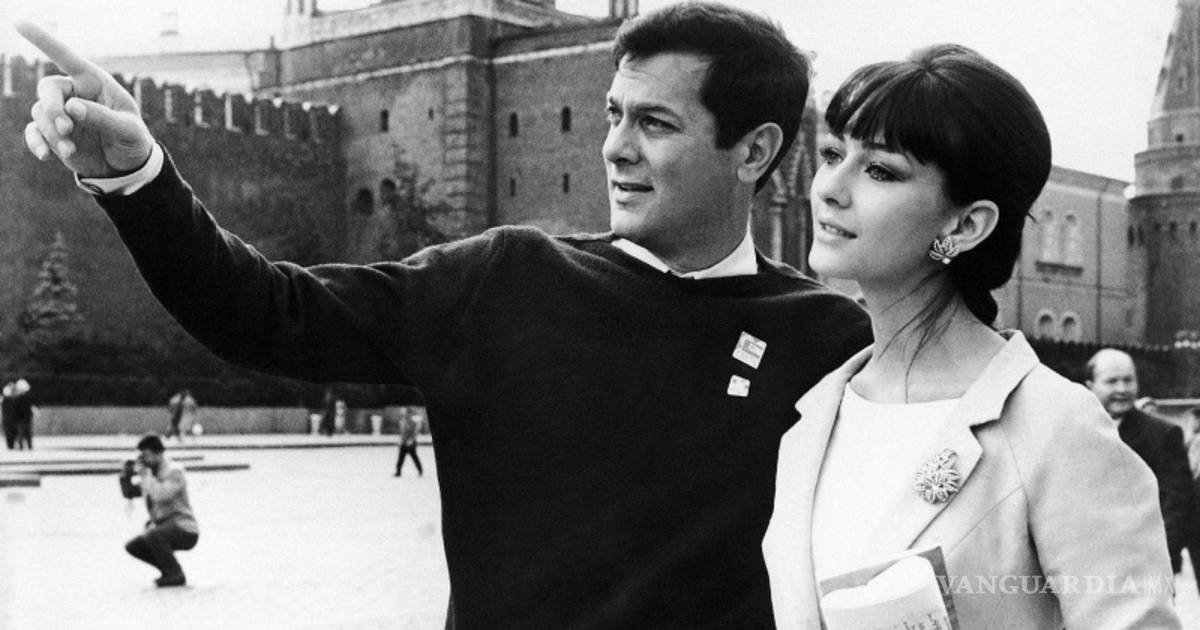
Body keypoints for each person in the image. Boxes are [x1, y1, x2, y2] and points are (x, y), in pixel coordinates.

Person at [18, 4, 871, 627]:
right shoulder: (507, 281)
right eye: (614, 114)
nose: (615, 147)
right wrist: (138, 179)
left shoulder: (830, 341)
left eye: (655, 123)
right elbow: (262, 311)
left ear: (754, 151)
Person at [762, 45, 1180, 628]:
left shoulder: (1055, 426)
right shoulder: (813, 415)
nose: (831, 186)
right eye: (833, 154)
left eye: (880, 170)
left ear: (965, 225)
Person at [1086, 349, 1195, 574]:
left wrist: (1152, 565)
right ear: (1090, 386)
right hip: (1086, 568)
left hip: (1145, 569)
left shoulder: (1163, 436)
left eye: (1128, 380)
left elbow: (1175, 509)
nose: (1122, 389)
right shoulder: (1074, 433)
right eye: (1112, 381)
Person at [124, 434, 199, 587]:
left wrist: (145, 475)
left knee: (152, 535)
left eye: (146, 456)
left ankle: (175, 574)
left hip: (185, 528)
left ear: (159, 454)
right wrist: (125, 476)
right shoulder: (151, 475)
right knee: (134, 546)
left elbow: (160, 495)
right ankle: (168, 571)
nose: (144, 460)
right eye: (141, 456)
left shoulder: (174, 472)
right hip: (164, 527)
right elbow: (130, 492)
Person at [394, 408, 424, 477]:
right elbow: (402, 433)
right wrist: (401, 441)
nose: (404, 415)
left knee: (414, 457)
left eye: (405, 413)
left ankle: (420, 470)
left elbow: (414, 432)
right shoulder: (402, 422)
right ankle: (398, 471)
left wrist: (411, 440)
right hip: (404, 443)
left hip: (411, 444)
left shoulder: (412, 422)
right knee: (401, 458)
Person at [10, 379, 35, 451]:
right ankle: (28, 445)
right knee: (26, 432)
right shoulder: (26, 397)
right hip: (24, 417)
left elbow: (15, 409)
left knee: (23, 432)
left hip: (21, 417)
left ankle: (23, 446)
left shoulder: (17, 398)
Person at [0, 380, 15, 450]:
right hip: (9, 418)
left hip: (7, 418)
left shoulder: (4, 400)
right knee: (10, 432)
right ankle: (10, 445)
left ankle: (10, 445)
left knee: (9, 432)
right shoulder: (10, 400)